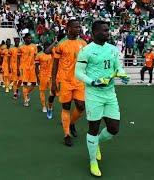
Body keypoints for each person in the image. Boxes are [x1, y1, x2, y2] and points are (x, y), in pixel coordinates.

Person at [75, 20, 130, 177]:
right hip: (94, 95)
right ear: (95, 32)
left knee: (114, 129)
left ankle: (96, 142)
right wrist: (93, 82)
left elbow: (117, 66)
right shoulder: (86, 51)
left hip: (110, 94)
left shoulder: (113, 49)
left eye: (108, 30)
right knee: (93, 128)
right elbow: (78, 73)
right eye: (104, 31)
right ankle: (93, 161)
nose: (108, 33)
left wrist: (122, 73)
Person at [51, 19, 87, 147]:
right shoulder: (61, 44)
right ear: (68, 28)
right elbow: (55, 64)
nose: (79, 29)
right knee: (66, 107)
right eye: (76, 27)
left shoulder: (83, 43)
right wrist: (53, 82)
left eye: (79, 27)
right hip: (65, 80)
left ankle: (71, 123)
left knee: (81, 106)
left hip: (79, 80)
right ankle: (66, 134)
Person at [18, 33, 38, 107]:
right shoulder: (21, 47)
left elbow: (35, 57)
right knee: (25, 83)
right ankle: (25, 100)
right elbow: (18, 58)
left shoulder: (34, 46)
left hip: (32, 68)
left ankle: (26, 93)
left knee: (34, 83)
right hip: (23, 68)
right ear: (25, 38)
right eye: (28, 38)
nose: (29, 39)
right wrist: (18, 68)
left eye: (30, 38)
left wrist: (36, 67)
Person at [35, 42, 54, 113]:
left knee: (52, 92)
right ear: (44, 47)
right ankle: (43, 106)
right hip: (42, 76)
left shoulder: (53, 54)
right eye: (47, 46)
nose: (49, 48)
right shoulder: (39, 55)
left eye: (49, 46)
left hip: (51, 76)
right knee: (42, 91)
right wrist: (37, 77)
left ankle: (49, 105)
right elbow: (36, 67)